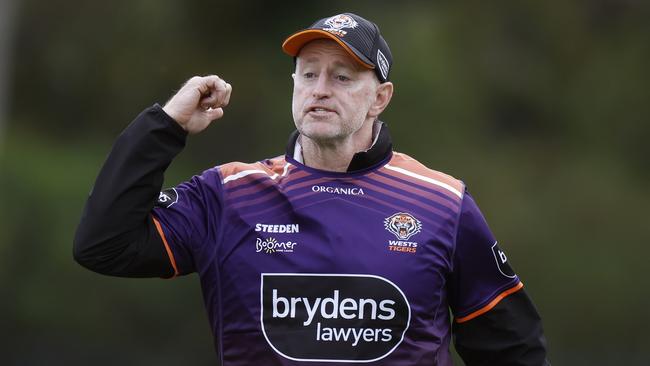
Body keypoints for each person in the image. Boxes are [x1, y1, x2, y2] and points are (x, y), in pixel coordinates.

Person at [74, 12, 549, 365]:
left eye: (342, 77)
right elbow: (103, 244)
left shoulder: (441, 203)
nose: (320, 88)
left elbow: (513, 351)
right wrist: (166, 125)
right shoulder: (229, 194)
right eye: (308, 74)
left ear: (380, 98)